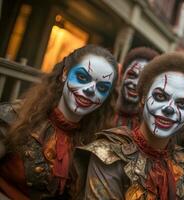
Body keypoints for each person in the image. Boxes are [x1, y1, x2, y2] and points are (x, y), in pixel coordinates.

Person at [73, 52, 184, 199]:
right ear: (143, 97)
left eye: (182, 104)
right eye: (160, 96)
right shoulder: (108, 153)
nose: (169, 109)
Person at [0, 45, 119, 199]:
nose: (90, 90)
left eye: (102, 87)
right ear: (65, 74)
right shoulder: (16, 116)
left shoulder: (94, 145)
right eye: (82, 77)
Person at [115, 47, 159, 129]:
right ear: (121, 75)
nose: (136, 83)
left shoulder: (150, 128)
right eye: (132, 75)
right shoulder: (101, 111)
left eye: (144, 80)